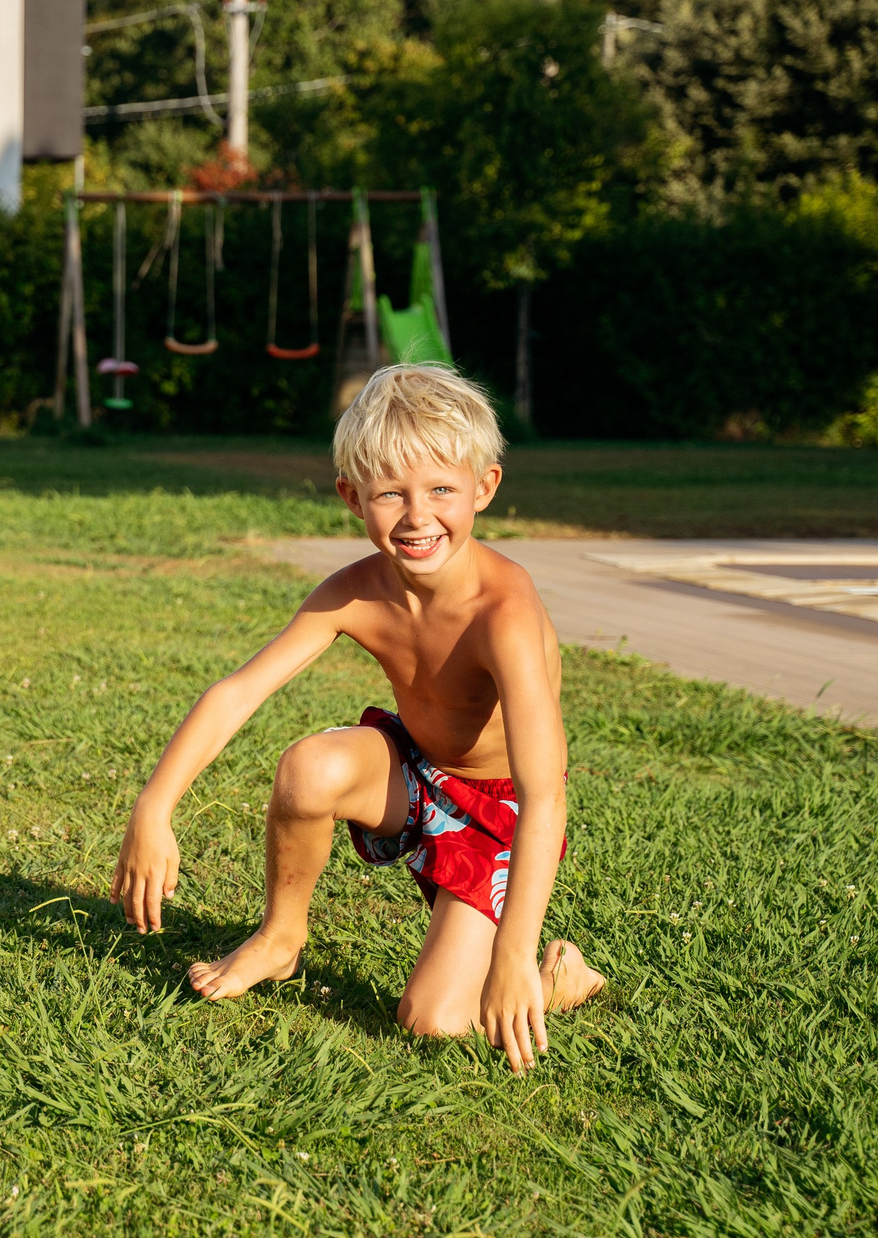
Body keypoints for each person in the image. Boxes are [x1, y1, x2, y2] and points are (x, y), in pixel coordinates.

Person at [110, 364, 602, 1071]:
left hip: (502, 812)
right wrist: (154, 805)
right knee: (311, 768)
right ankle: (281, 938)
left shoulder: (506, 612)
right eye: (390, 494)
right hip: (416, 772)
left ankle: (557, 977)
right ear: (351, 498)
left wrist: (515, 955)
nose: (417, 515)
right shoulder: (353, 592)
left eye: (441, 489)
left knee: (433, 1019)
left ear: (484, 488)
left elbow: (545, 791)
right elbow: (238, 692)